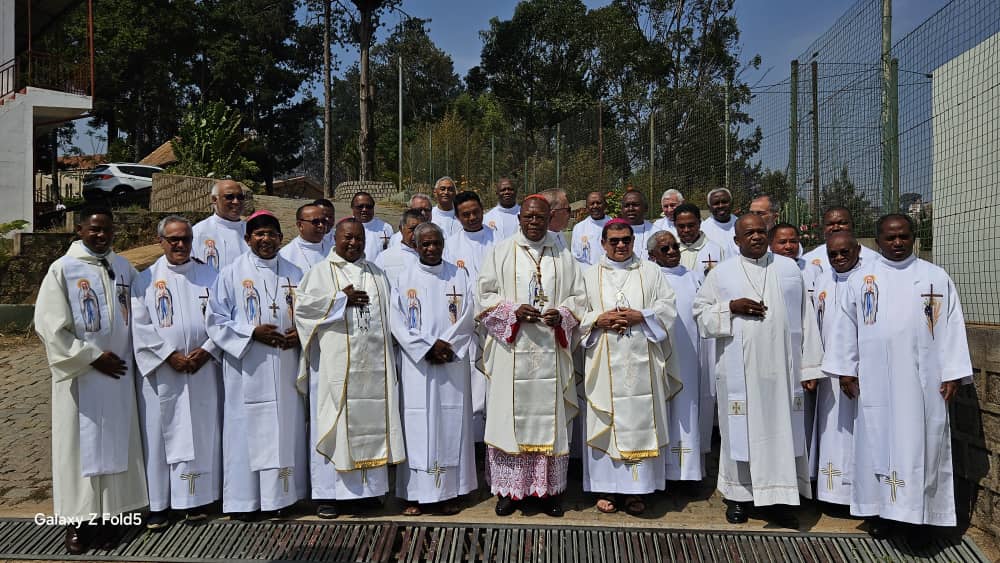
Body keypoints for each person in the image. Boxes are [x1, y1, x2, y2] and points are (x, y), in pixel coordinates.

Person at [821, 214, 972, 546]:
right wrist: (846, 368)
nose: (898, 243)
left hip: (923, 385)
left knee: (922, 448)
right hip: (874, 384)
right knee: (876, 444)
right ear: (877, 242)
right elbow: (846, 327)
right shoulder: (864, 280)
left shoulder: (935, 277)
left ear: (913, 237)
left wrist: (953, 372)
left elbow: (952, 327)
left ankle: (919, 521)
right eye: (890, 238)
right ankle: (880, 514)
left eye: (904, 236)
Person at [693, 214, 823, 529]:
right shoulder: (721, 274)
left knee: (781, 434)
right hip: (741, 374)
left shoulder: (789, 269)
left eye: (760, 231)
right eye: (748, 232)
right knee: (740, 433)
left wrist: (810, 368)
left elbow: (806, 320)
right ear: (736, 240)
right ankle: (739, 497)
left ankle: (779, 501)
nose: (755, 236)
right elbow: (700, 315)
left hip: (783, 372)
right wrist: (730, 308)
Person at [34, 207, 147, 554]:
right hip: (82, 376)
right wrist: (93, 357)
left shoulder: (124, 268)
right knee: (78, 450)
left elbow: (141, 314)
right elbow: (50, 325)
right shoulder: (63, 270)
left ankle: (113, 518)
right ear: (80, 230)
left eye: (107, 230)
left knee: (118, 443)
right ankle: (78, 525)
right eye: (94, 230)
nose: (101, 235)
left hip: (119, 375)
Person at [477, 195, 587, 517]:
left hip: (551, 350)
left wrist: (563, 314)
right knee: (507, 420)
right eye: (528, 217)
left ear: (549, 217)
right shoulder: (501, 251)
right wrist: (512, 311)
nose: (534, 222)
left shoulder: (563, 253)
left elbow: (579, 297)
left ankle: (549, 491)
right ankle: (509, 491)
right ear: (519, 219)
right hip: (512, 350)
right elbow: (483, 296)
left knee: (549, 420)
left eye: (540, 217)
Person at [294, 218, 405, 518]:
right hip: (335, 369)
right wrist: (340, 300)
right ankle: (329, 496)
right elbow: (303, 310)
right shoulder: (320, 272)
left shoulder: (377, 274)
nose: (353, 243)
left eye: (358, 238)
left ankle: (368, 494)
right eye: (347, 238)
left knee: (372, 422)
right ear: (335, 238)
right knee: (335, 424)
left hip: (374, 370)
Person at [206, 211, 307, 519]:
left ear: (281, 238)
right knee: (244, 431)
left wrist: (300, 335)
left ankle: (281, 500)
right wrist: (252, 333)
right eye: (259, 234)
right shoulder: (230, 273)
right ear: (247, 239)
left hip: (286, 363)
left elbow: (310, 314)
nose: (266, 239)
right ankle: (245, 502)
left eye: (271, 234)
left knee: (285, 429)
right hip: (247, 365)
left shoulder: (296, 273)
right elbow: (215, 320)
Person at [579, 220, 678, 516]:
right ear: (603, 243)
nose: (620, 245)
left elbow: (668, 308)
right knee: (605, 422)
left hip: (642, 363)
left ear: (634, 241)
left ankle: (638, 490)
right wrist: (598, 320)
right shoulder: (588, 276)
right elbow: (577, 313)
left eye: (626, 240)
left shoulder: (651, 272)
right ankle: (607, 487)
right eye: (614, 241)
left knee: (640, 421)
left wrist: (642, 315)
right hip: (604, 362)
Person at [131, 216, 221, 529]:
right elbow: (139, 325)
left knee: (202, 432)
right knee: (159, 436)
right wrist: (168, 355)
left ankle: (196, 500)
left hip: (202, 369)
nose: (180, 244)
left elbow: (223, 318)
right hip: (162, 373)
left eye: (185, 238)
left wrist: (208, 350)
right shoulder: (145, 279)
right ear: (161, 242)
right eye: (173, 240)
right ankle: (160, 504)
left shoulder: (210, 275)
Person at [390, 223, 477, 515]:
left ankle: (450, 491)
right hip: (419, 366)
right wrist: (426, 347)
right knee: (417, 425)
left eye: (435, 243)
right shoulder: (404, 278)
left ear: (443, 244)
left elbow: (469, 315)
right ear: (415, 246)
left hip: (452, 362)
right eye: (424, 244)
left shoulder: (459, 276)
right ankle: (414, 493)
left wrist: (447, 346)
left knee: (453, 422)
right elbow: (396, 321)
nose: (430, 248)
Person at [648, 230, 707, 489]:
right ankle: (658, 472)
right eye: (665, 249)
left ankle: (687, 473)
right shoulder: (648, 277)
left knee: (687, 409)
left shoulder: (693, 277)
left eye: (675, 247)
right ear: (652, 255)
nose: (672, 251)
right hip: (659, 354)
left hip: (688, 355)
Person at [809, 232, 863, 510]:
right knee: (830, 430)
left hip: (858, 373)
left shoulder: (867, 280)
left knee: (856, 432)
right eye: (834, 254)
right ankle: (831, 495)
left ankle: (857, 493)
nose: (840, 258)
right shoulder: (822, 280)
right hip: (827, 372)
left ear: (858, 250)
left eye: (845, 253)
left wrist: (849, 367)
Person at [443, 191, 496, 442]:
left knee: (494, 380)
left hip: (496, 322)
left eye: (476, 212)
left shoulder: (499, 240)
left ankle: (492, 437)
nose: (472, 217)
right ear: (457, 216)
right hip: (465, 323)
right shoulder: (450, 245)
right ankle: (472, 440)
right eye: (466, 214)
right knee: (471, 382)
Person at [801, 206, 878, 274]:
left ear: (853, 225)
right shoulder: (808, 260)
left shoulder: (874, 259)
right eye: (830, 224)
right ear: (823, 228)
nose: (836, 228)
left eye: (842, 223)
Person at [191, 180, 248, 270]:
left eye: (240, 197)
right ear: (214, 200)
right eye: (229, 197)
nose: (236, 202)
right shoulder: (197, 232)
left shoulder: (252, 230)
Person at [674, 203, 727, 279]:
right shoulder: (669, 251)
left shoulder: (715, 250)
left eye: (691, 225)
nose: (686, 230)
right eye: (681, 226)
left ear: (699, 223)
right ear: (675, 225)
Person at [375, 209, 425, 286]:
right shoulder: (385, 258)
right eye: (412, 229)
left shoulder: (431, 256)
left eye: (420, 229)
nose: (416, 233)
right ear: (401, 229)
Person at [279, 203, 333, 273]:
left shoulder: (333, 250)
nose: (321, 225)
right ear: (300, 225)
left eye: (324, 221)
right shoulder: (285, 255)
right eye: (315, 222)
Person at [570, 191, 610, 268]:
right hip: (587, 274)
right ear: (587, 207)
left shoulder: (613, 225)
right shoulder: (579, 228)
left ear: (605, 205)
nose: (595, 206)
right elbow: (575, 256)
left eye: (598, 203)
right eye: (592, 204)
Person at [351, 191, 394, 262]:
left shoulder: (385, 228)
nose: (364, 209)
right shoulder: (344, 227)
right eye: (360, 206)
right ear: (352, 207)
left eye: (368, 207)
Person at [617, 190, 656, 260]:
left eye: (635, 205)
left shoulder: (656, 232)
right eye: (626, 205)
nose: (631, 209)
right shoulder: (613, 232)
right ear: (621, 209)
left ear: (645, 208)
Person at [701, 187, 739, 258]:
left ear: (732, 203)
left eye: (724, 202)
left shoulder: (742, 225)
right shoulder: (702, 230)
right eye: (716, 203)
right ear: (709, 207)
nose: (721, 206)